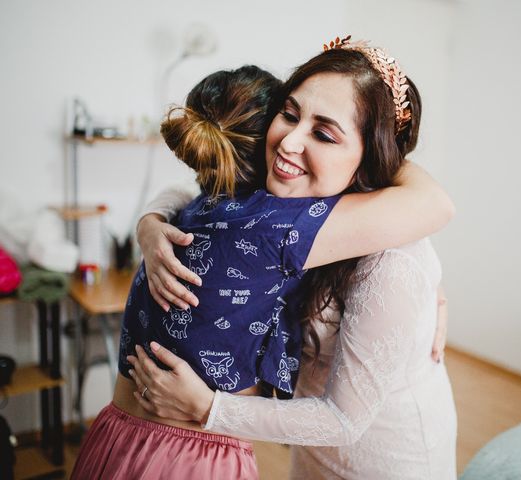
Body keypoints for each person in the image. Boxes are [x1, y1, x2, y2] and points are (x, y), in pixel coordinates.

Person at [71, 38, 455, 479]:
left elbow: (436, 207)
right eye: (289, 114)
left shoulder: (368, 249)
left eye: (324, 133)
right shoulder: (276, 209)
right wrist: (150, 222)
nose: (289, 141)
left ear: (371, 157)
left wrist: (209, 407)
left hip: (379, 457)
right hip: (268, 450)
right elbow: (196, 188)